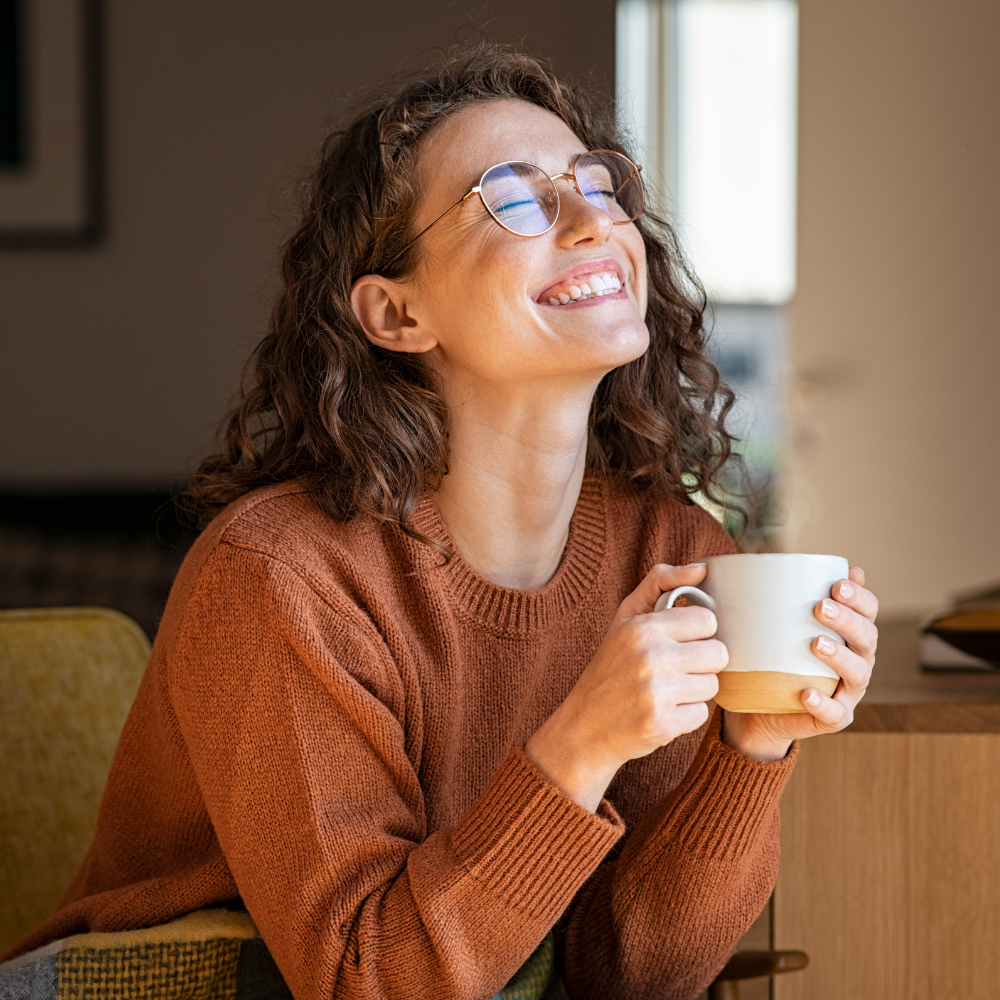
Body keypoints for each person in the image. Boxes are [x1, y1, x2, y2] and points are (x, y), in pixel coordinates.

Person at [3, 45, 878, 1000]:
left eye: (599, 182)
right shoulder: (281, 575)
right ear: (395, 313)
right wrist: (580, 744)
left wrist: (751, 748)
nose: (592, 220)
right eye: (512, 197)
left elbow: (620, 976)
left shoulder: (672, 552)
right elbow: (361, 983)